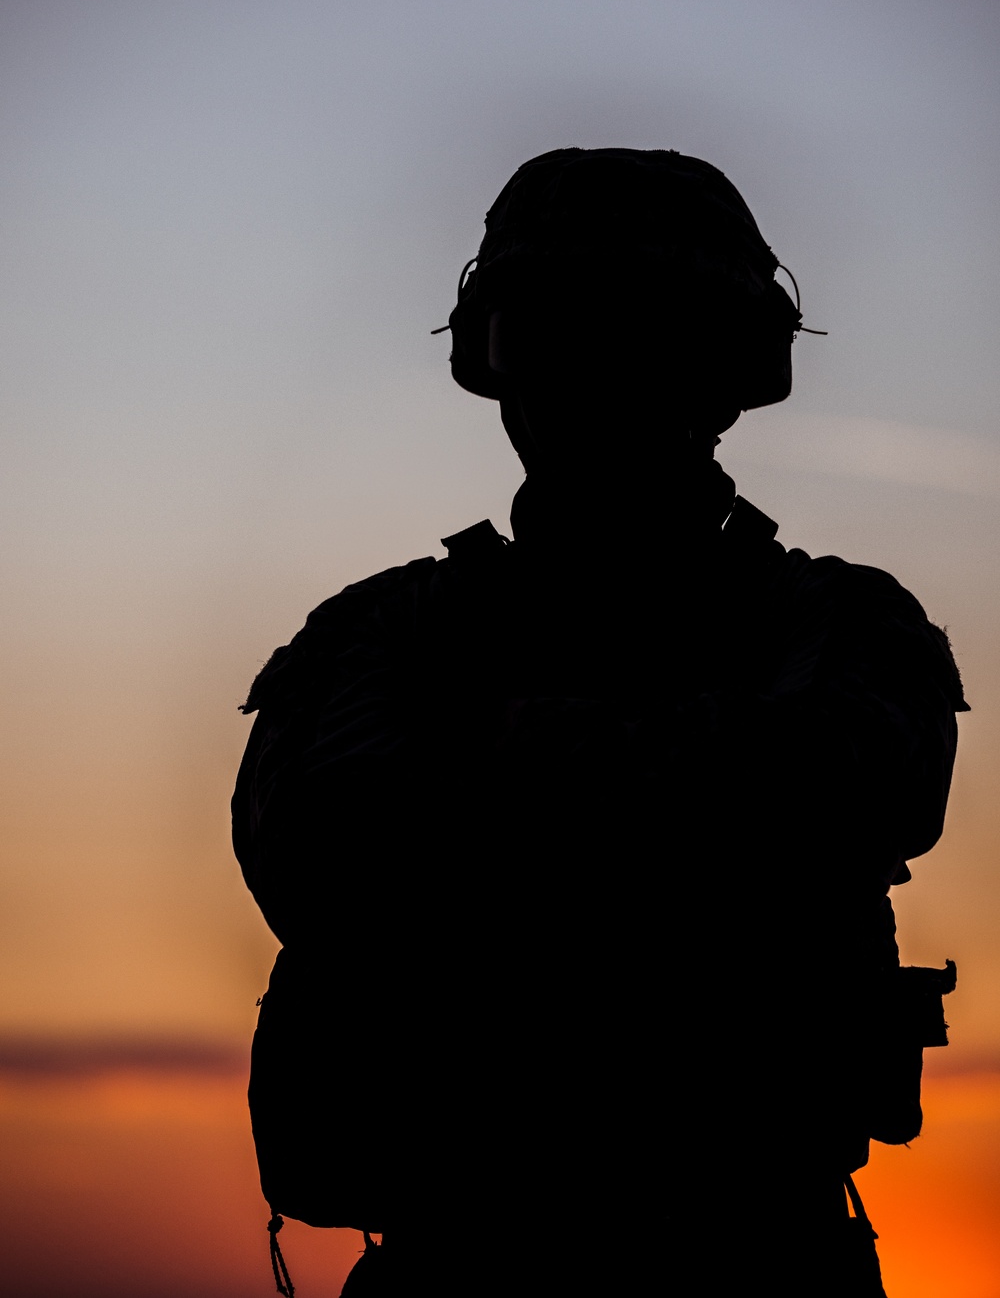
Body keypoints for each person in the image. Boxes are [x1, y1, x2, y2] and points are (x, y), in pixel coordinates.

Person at [232, 148, 966, 1297]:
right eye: (558, 337)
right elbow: (326, 859)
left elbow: (841, 801)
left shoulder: (844, 625)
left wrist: (493, 784)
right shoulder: (375, 634)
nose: (599, 382)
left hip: (756, 1257)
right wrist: (686, 798)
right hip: (462, 1258)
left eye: (646, 339)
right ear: (499, 364)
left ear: (724, 375)